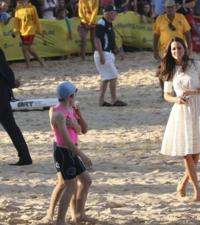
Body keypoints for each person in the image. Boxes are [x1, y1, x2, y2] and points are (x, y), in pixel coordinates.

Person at [159, 37, 200, 201]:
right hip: (180, 110)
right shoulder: (170, 69)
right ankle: (197, 189)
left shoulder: (195, 65)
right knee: (185, 151)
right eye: (173, 49)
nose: (176, 52)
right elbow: (167, 95)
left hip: (197, 107)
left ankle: (183, 183)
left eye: (179, 48)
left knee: (195, 151)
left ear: (185, 49)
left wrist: (193, 92)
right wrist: (176, 99)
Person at [48, 81, 93, 225]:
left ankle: (79, 215)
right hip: (63, 151)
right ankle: (60, 220)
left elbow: (84, 129)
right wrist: (82, 155)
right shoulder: (57, 113)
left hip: (72, 150)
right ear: (70, 96)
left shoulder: (71, 109)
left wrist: (78, 115)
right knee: (69, 185)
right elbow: (65, 140)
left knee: (86, 181)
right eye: (74, 94)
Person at [0, 48, 32, 166]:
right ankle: (25, 156)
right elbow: (5, 70)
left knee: (12, 127)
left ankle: (25, 157)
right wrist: (12, 83)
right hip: (2, 94)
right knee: (12, 128)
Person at [153, 0, 191, 94]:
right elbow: (156, 35)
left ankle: (179, 89)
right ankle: (164, 91)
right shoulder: (160, 19)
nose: (169, 9)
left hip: (179, 48)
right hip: (164, 49)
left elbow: (187, 33)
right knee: (162, 70)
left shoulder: (181, 17)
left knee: (180, 69)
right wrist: (155, 50)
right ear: (165, 9)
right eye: (168, 7)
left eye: (171, 7)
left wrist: (189, 47)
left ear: (175, 7)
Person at [94, 5, 127, 107]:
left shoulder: (108, 23)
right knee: (113, 76)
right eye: (114, 12)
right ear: (108, 13)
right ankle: (114, 99)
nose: (116, 14)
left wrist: (117, 51)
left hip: (107, 53)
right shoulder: (101, 23)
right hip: (103, 53)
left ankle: (101, 100)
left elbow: (110, 40)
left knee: (106, 78)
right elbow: (97, 39)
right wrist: (101, 55)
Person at [12, 0, 45, 68]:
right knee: (28, 49)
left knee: (25, 48)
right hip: (22, 31)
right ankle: (40, 61)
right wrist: (15, 30)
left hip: (30, 30)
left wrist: (40, 30)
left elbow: (36, 20)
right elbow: (16, 21)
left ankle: (29, 65)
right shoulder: (18, 8)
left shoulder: (32, 8)